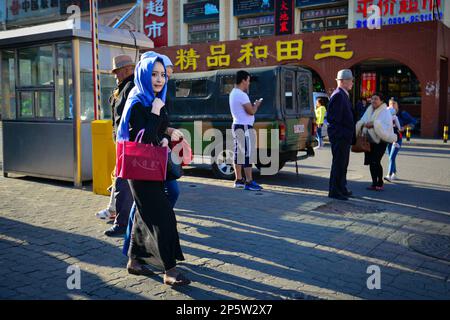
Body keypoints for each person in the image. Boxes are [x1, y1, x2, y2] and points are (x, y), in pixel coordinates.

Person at [116, 55, 189, 286]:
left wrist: (168, 134)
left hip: (152, 167)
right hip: (139, 171)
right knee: (164, 217)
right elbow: (140, 137)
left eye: (162, 75)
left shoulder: (155, 99)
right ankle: (170, 270)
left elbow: (156, 130)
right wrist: (156, 112)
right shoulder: (137, 101)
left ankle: (134, 261)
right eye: (154, 74)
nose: (159, 79)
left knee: (142, 215)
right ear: (144, 74)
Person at [96, 55, 135, 237]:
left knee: (121, 182)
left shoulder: (131, 87)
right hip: (121, 141)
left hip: (127, 143)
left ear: (127, 69)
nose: (115, 76)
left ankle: (120, 220)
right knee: (118, 179)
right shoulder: (120, 88)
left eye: (117, 71)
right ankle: (115, 211)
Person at [229, 70, 263, 191]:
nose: (249, 83)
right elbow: (251, 111)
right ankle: (249, 182)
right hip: (244, 126)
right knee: (247, 154)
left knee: (239, 153)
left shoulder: (233, 92)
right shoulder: (241, 94)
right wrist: (257, 104)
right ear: (243, 80)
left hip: (237, 125)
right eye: (248, 81)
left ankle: (239, 180)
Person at [356, 93, 397, 191]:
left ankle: (380, 183)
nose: (373, 101)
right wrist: (362, 124)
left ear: (381, 101)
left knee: (376, 161)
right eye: (372, 99)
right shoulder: (369, 110)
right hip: (369, 140)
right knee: (371, 162)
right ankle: (374, 183)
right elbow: (362, 120)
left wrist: (374, 124)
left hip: (381, 141)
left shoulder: (385, 112)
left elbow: (386, 127)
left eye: (376, 99)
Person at [327, 69, 355, 201]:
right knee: (338, 164)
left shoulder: (343, 94)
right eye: (350, 80)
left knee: (343, 164)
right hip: (340, 137)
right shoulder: (338, 95)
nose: (352, 83)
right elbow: (334, 120)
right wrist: (342, 135)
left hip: (344, 136)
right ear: (342, 81)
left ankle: (342, 187)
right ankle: (335, 191)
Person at [384, 99, 414, 181]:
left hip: (397, 138)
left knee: (392, 157)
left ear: (397, 105)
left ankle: (389, 175)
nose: (392, 105)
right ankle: (394, 173)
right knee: (391, 157)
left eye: (394, 103)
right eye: (390, 103)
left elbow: (413, 122)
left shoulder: (402, 114)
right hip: (388, 138)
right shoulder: (386, 113)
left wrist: (403, 127)